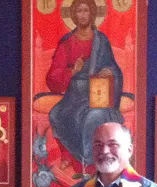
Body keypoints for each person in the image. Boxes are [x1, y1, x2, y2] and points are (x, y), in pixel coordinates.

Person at [47, 0, 124, 167]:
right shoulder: (67, 42)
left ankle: (89, 163)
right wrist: (72, 71)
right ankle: (68, 155)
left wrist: (110, 72)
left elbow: (114, 68)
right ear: (74, 15)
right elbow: (53, 77)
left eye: (86, 10)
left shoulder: (101, 41)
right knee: (55, 114)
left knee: (93, 117)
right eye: (79, 11)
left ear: (92, 14)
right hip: (74, 97)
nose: (82, 14)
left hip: (98, 95)